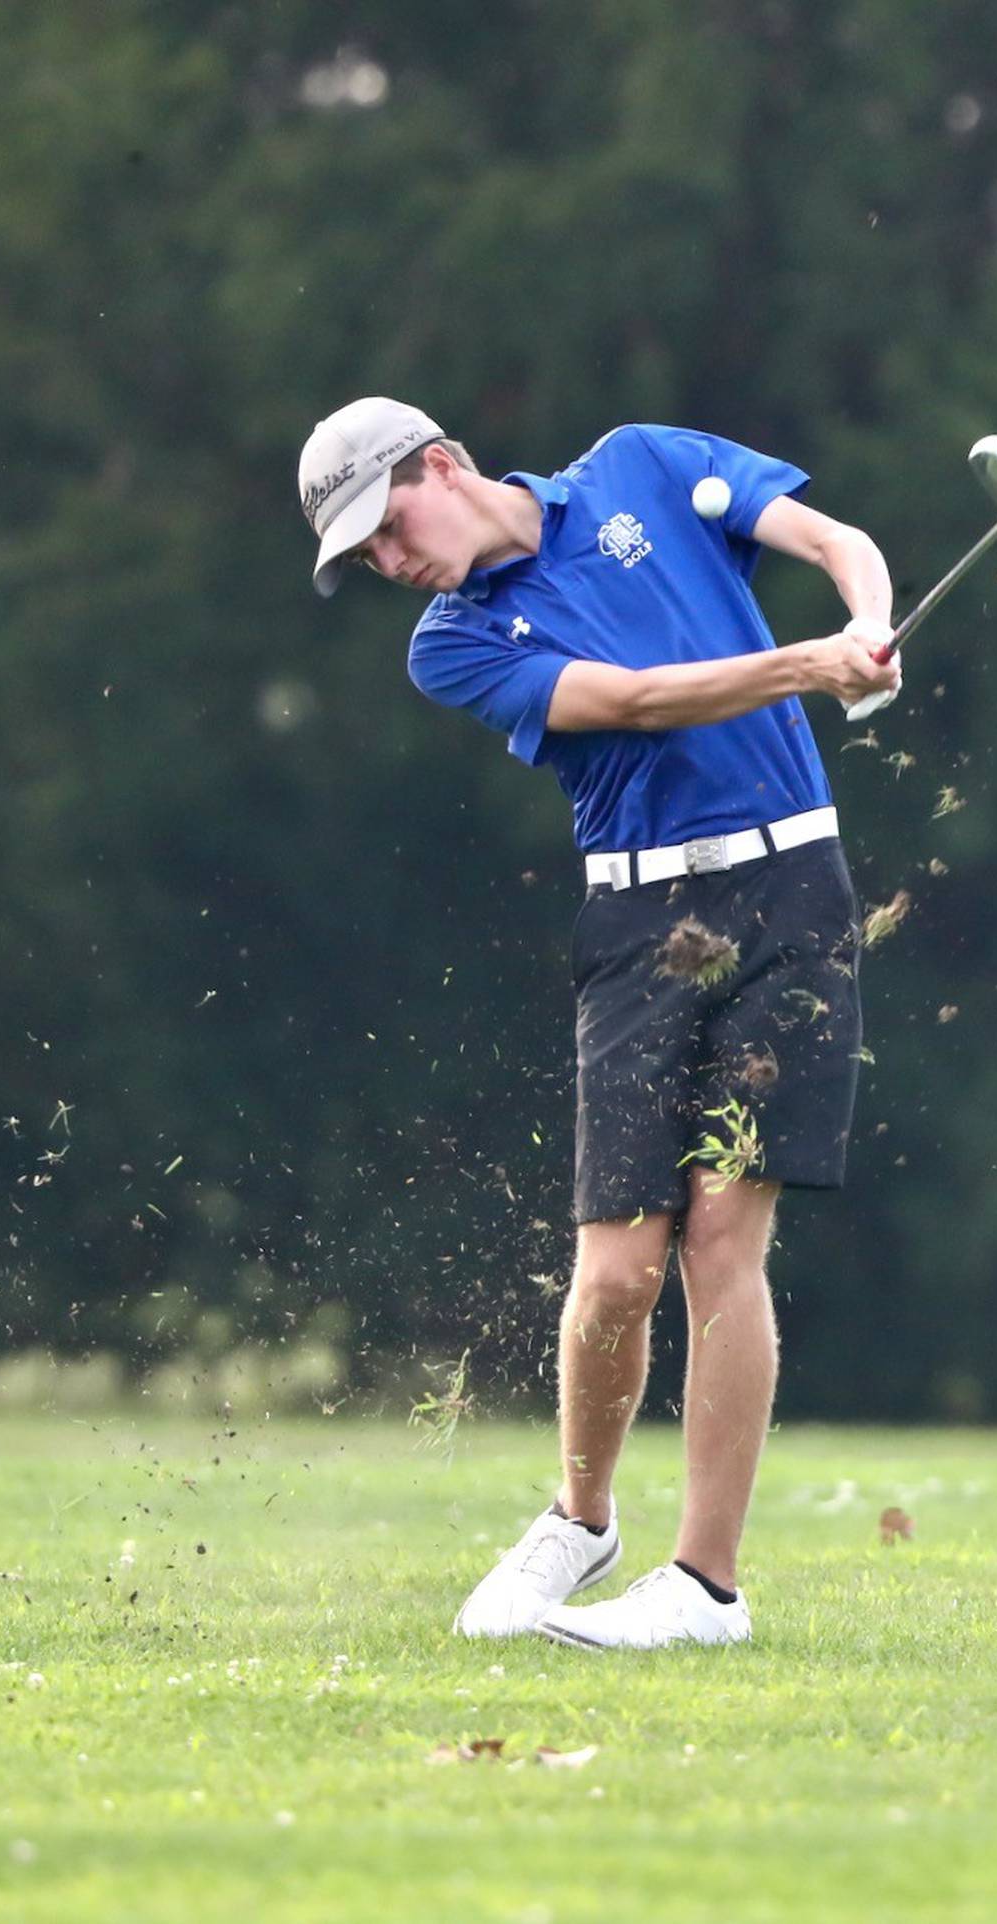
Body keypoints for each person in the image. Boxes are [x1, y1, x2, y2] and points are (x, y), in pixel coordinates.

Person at [297, 397, 901, 1649]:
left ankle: (704, 1588)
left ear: (442, 465)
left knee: (724, 1234)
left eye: (386, 525)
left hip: (792, 894)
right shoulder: (449, 644)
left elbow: (838, 538)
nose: (387, 562)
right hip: (642, 928)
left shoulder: (644, 467)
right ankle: (583, 1520)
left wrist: (869, 625)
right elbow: (628, 701)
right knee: (620, 1265)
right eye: (363, 556)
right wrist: (807, 666)